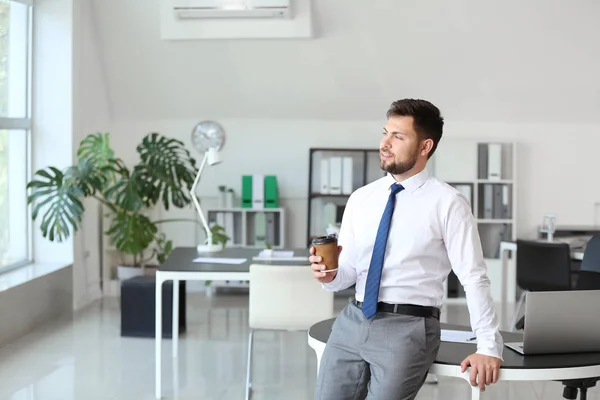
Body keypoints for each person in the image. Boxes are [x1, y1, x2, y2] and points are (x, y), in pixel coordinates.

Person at [310, 98, 503, 400]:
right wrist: (329, 276)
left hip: (408, 327)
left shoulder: (448, 202)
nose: (385, 143)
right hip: (352, 320)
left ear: (425, 146)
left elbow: (474, 277)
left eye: (398, 136)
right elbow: (349, 273)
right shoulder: (361, 198)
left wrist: (489, 347)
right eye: (385, 133)